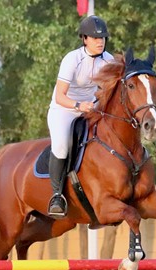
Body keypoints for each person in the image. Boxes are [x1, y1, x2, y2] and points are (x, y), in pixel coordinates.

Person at [46, 15, 114, 218]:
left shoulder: (108, 60)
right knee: (61, 146)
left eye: (102, 38)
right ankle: (57, 195)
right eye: (95, 38)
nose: (100, 41)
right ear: (84, 39)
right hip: (65, 109)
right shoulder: (72, 59)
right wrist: (78, 105)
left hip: (92, 109)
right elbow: (60, 96)